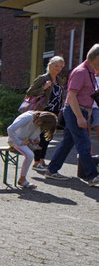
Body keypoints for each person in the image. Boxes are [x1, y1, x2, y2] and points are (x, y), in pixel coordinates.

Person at [45, 44, 99, 186]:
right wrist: (80, 117)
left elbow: (87, 94)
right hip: (75, 111)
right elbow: (72, 96)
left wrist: (87, 113)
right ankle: (92, 176)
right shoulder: (81, 72)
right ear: (97, 58)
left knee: (68, 142)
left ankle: (51, 170)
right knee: (84, 143)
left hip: (80, 111)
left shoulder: (91, 71)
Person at [25, 56, 65, 171]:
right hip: (43, 111)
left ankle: (42, 160)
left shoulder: (59, 79)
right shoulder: (43, 78)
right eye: (56, 65)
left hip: (54, 112)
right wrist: (44, 88)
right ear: (50, 65)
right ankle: (36, 162)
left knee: (48, 137)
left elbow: (59, 96)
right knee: (40, 136)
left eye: (61, 66)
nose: (58, 68)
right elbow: (30, 92)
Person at [7, 111, 57, 189]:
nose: (41, 127)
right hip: (14, 141)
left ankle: (22, 179)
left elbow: (35, 134)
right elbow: (10, 129)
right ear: (41, 120)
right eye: (42, 125)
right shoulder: (27, 117)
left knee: (33, 152)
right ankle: (22, 179)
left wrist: (36, 140)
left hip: (25, 141)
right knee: (30, 155)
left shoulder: (39, 121)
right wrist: (19, 142)